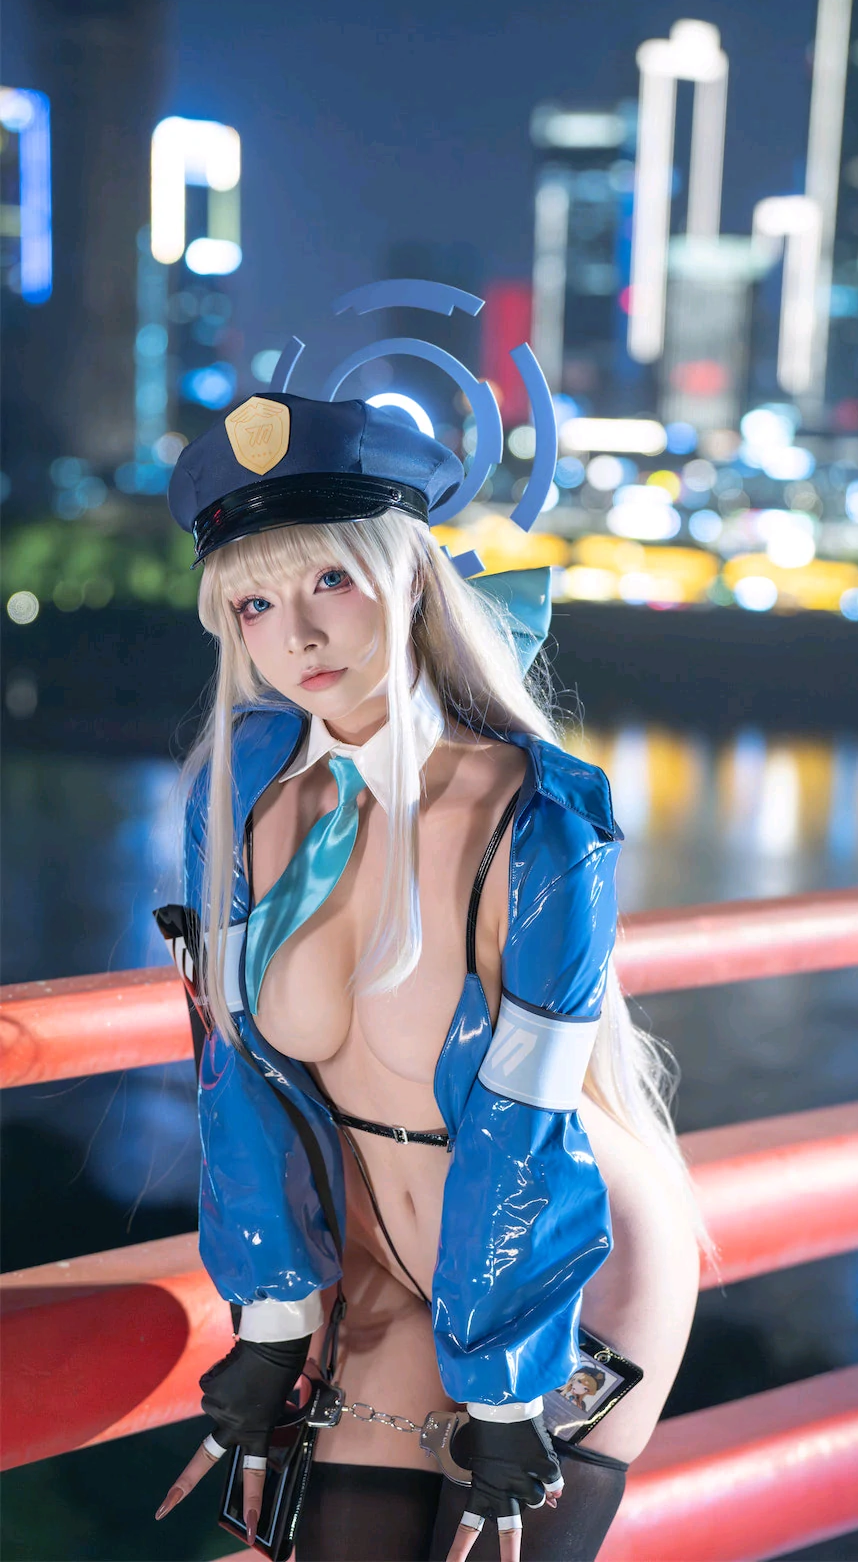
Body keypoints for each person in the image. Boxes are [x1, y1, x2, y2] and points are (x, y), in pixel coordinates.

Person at [152, 391, 701, 1561]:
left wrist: (504, 1387)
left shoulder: (533, 814)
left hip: (566, 1259)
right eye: (255, 603)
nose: (298, 635)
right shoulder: (242, 799)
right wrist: (271, 1312)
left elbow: (524, 1116)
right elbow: (234, 1081)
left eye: (330, 582)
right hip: (382, 1269)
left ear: (407, 578)